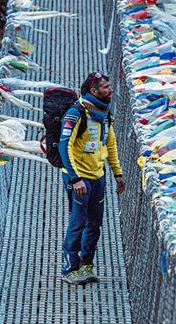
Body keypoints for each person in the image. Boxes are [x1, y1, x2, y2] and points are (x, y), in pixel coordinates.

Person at [58, 71, 126, 285]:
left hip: (98, 176)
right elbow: (64, 145)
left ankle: (87, 263)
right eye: (106, 87)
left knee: (95, 223)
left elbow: (110, 144)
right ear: (94, 91)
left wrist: (117, 172)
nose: (111, 89)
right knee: (78, 221)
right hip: (79, 178)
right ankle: (70, 268)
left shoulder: (105, 114)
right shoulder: (76, 113)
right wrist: (75, 178)